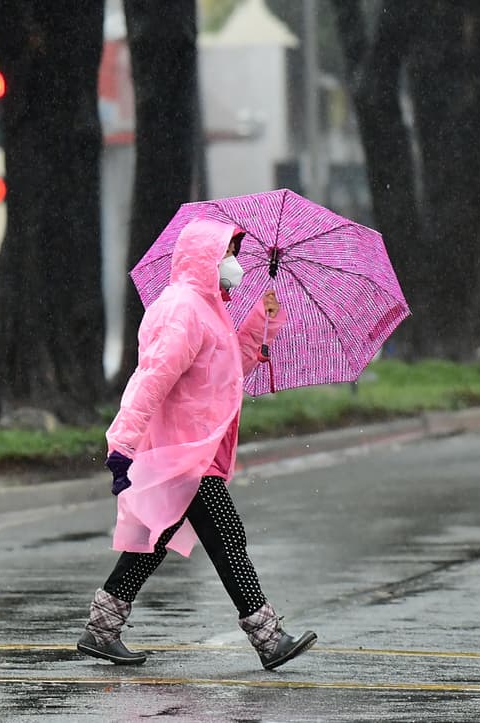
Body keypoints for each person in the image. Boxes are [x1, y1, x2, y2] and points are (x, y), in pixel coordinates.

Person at [77, 218, 316, 671]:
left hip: (193, 448)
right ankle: (268, 637)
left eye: (235, 255)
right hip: (180, 451)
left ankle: (101, 629)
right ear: (204, 256)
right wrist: (122, 443)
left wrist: (262, 320)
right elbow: (152, 378)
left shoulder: (210, 308)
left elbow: (224, 372)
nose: (235, 265)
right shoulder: (183, 308)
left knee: (154, 538)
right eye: (228, 254)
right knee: (226, 535)